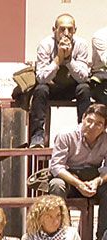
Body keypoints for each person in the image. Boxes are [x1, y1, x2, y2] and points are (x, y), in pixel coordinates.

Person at [28, 15, 92, 148]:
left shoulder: (81, 45)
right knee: (40, 90)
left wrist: (68, 60)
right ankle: (37, 136)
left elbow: (83, 77)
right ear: (54, 30)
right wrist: (58, 59)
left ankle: (84, 135)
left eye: (70, 29)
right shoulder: (45, 45)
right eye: (62, 29)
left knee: (85, 88)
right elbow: (41, 78)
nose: (66, 34)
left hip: (72, 87)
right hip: (51, 87)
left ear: (75, 30)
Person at [47, 103, 107, 229]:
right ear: (83, 118)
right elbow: (57, 166)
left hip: (92, 180)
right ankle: (62, 234)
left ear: (104, 127)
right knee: (56, 185)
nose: (92, 126)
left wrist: (97, 181)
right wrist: (78, 184)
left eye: (98, 124)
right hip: (69, 179)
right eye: (89, 121)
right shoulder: (66, 135)